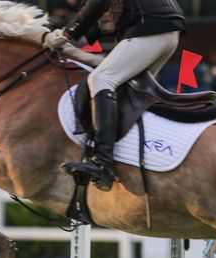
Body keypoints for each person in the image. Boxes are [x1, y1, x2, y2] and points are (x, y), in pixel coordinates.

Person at [43, 0, 186, 192]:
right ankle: (133, 159)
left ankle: (102, 162)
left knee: (102, 80)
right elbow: (104, 21)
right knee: (129, 90)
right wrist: (75, 36)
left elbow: (98, 3)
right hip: (165, 30)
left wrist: (66, 34)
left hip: (148, 27)